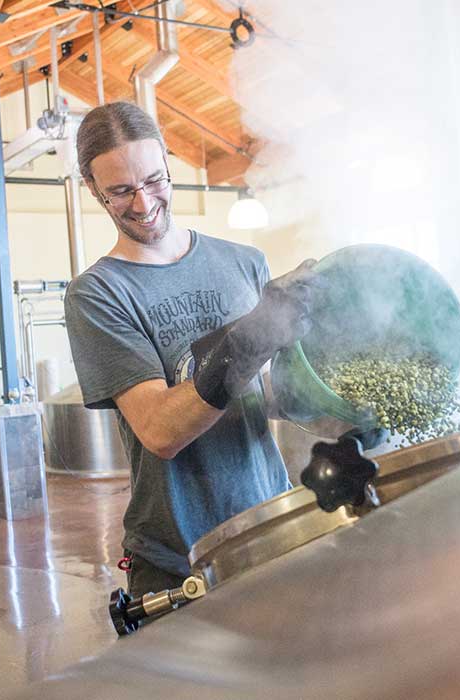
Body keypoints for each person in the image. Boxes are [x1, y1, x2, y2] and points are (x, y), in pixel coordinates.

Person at [63, 101, 324, 598]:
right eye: (120, 191)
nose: (142, 204)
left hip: (271, 523)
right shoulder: (98, 294)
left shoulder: (245, 263)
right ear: (93, 190)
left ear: (167, 160)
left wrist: (339, 404)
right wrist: (243, 343)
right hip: (178, 560)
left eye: (154, 180)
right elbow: (161, 430)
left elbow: (266, 393)